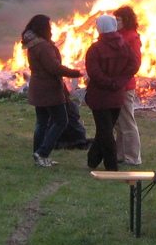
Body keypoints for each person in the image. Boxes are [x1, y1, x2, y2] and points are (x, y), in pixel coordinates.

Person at [22, 14, 82, 168]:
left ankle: (38, 155)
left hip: (38, 87)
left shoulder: (32, 44)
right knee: (61, 120)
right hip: (49, 89)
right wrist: (76, 73)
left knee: (42, 123)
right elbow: (54, 68)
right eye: (49, 26)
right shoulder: (43, 46)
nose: (51, 29)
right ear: (43, 28)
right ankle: (42, 153)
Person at [84, 14, 140, 172]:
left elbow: (94, 72)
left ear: (100, 27)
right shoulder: (124, 46)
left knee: (105, 130)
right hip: (117, 95)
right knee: (105, 129)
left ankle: (111, 166)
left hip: (100, 96)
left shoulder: (95, 49)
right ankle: (93, 160)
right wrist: (120, 82)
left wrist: (110, 82)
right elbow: (133, 65)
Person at [112, 4, 144, 166]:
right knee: (118, 122)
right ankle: (120, 154)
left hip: (125, 85)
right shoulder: (118, 35)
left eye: (118, 19)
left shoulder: (132, 37)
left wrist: (122, 78)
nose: (116, 22)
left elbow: (136, 63)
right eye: (115, 19)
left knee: (127, 121)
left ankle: (133, 157)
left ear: (126, 20)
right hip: (116, 85)